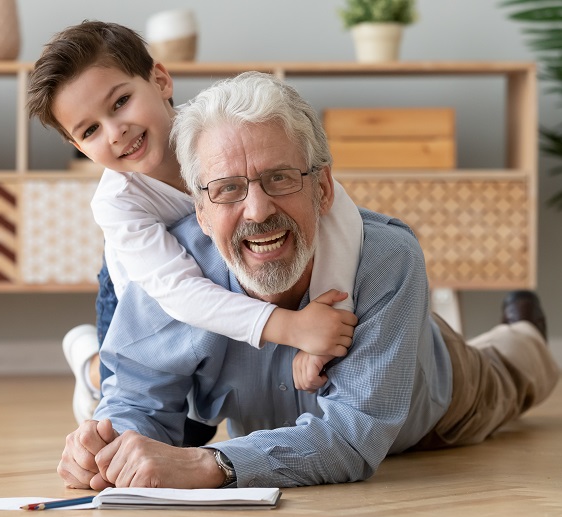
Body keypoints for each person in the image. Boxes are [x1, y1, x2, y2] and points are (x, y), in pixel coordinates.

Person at [55, 72, 559, 491]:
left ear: (322, 187)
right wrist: (109, 444)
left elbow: (352, 436)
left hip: (439, 408)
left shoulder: (386, 258)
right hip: (284, 440)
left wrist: (212, 464)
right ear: (200, 208)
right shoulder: (172, 274)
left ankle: (526, 334)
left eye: (280, 178)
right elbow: (139, 397)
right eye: (228, 189)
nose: (257, 210)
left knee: (513, 373)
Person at [27, 21, 361, 426]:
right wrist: (290, 329)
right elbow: (178, 292)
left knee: (218, 396)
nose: (116, 132)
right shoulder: (117, 203)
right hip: (144, 296)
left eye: (120, 102)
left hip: (223, 273)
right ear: (77, 146)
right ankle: (90, 364)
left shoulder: (220, 131)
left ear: (161, 79)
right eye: (91, 130)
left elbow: (336, 210)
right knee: (182, 425)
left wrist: (329, 321)